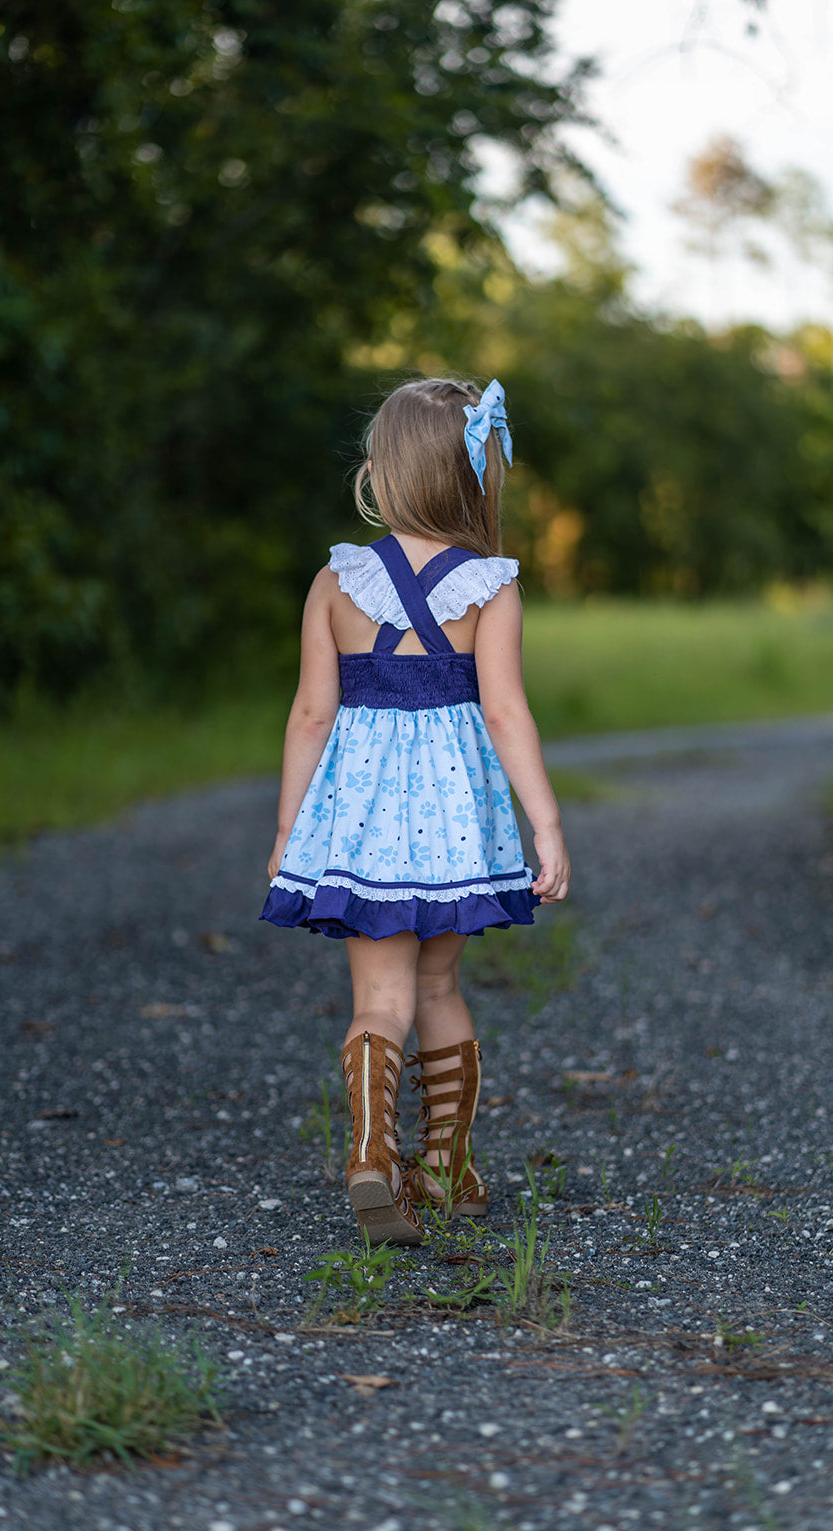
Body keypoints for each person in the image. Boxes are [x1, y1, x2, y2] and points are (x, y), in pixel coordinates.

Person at [260, 377, 570, 1245]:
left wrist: (291, 833)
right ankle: (443, 1166)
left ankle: (368, 1158)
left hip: (359, 831)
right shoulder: (488, 587)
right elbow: (506, 714)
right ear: (476, 475)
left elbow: (310, 716)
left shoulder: (335, 582)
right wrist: (543, 822)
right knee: (438, 984)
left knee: (379, 995)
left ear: (379, 472)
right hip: (453, 826)